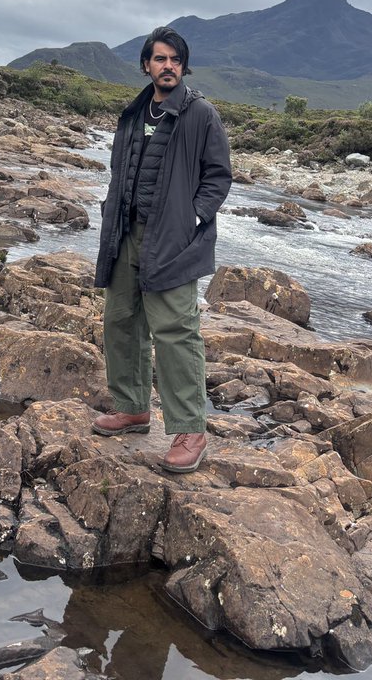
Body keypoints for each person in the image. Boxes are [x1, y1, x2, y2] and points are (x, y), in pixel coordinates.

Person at [93, 26, 232, 473]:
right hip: (125, 232)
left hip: (172, 239)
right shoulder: (135, 112)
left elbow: (219, 176)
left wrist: (194, 216)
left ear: (183, 67)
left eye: (175, 59)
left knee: (175, 330)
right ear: (146, 65)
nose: (167, 66)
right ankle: (132, 407)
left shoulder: (201, 114)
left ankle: (191, 430)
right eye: (159, 59)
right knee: (120, 320)